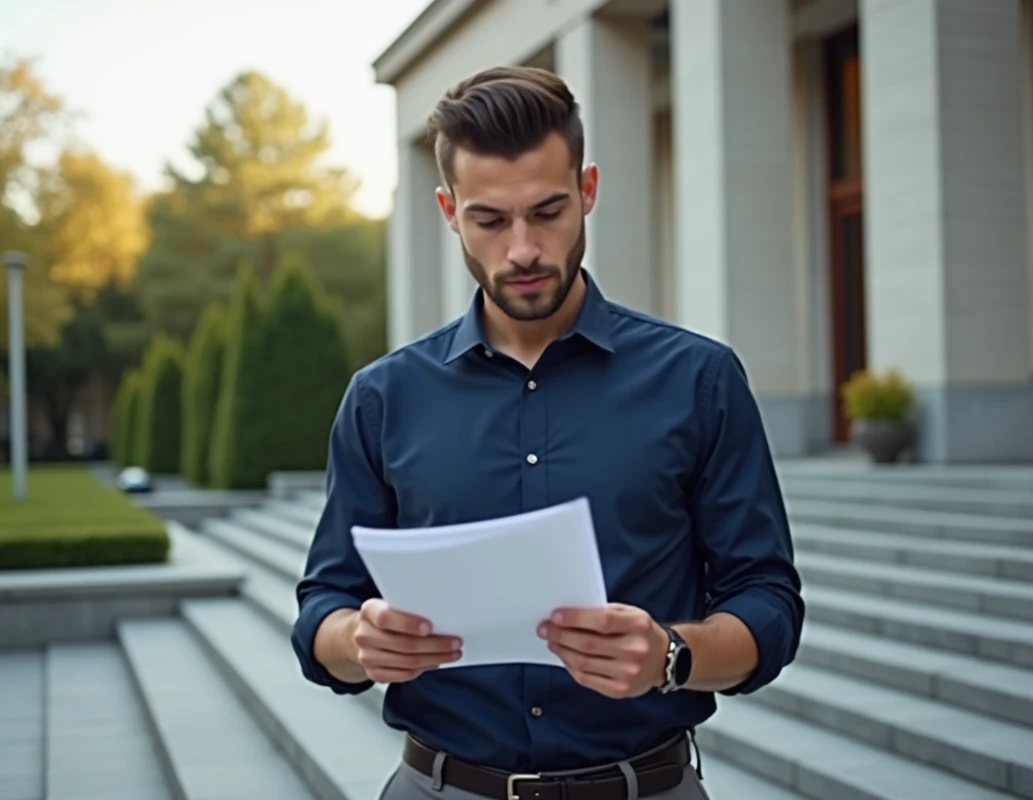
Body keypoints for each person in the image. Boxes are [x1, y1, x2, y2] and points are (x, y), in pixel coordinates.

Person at [291, 65, 804, 800]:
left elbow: (769, 602)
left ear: (588, 191)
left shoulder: (700, 380)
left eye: (549, 211)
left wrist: (671, 655)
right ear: (448, 210)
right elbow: (322, 611)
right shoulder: (382, 399)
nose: (523, 249)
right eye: (490, 220)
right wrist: (358, 641)